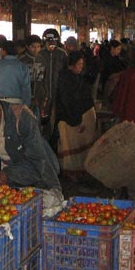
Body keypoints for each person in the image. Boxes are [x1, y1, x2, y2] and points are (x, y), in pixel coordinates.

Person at [0, 85, 61, 192]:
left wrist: (8, 175)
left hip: (40, 178)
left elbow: (37, 163)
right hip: (8, 181)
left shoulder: (22, 118)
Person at [55, 51, 98, 180]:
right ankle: (72, 173)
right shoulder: (66, 79)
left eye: (82, 64)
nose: (81, 67)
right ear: (71, 65)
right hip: (70, 119)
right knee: (71, 148)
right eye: (79, 64)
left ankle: (79, 171)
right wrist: (76, 119)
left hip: (78, 117)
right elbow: (68, 100)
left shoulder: (76, 77)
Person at [36, 28, 67, 144]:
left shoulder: (62, 54)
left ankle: (56, 142)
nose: (51, 45)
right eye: (48, 42)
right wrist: (38, 92)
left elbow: (65, 74)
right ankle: (45, 142)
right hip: (43, 95)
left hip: (59, 94)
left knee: (58, 120)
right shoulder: (40, 55)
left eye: (53, 42)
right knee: (44, 120)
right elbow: (37, 76)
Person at [0, 40, 31, 106]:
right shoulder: (22, 66)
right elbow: (26, 88)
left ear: (3, 51)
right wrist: (26, 105)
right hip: (17, 103)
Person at [19, 34, 45, 116]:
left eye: (38, 47)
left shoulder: (42, 59)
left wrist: (45, 95)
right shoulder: (21, 60)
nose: (36, 49)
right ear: (27, 46)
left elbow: (45, 78)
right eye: (33, 47)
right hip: (24, 96)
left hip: (39, 95)